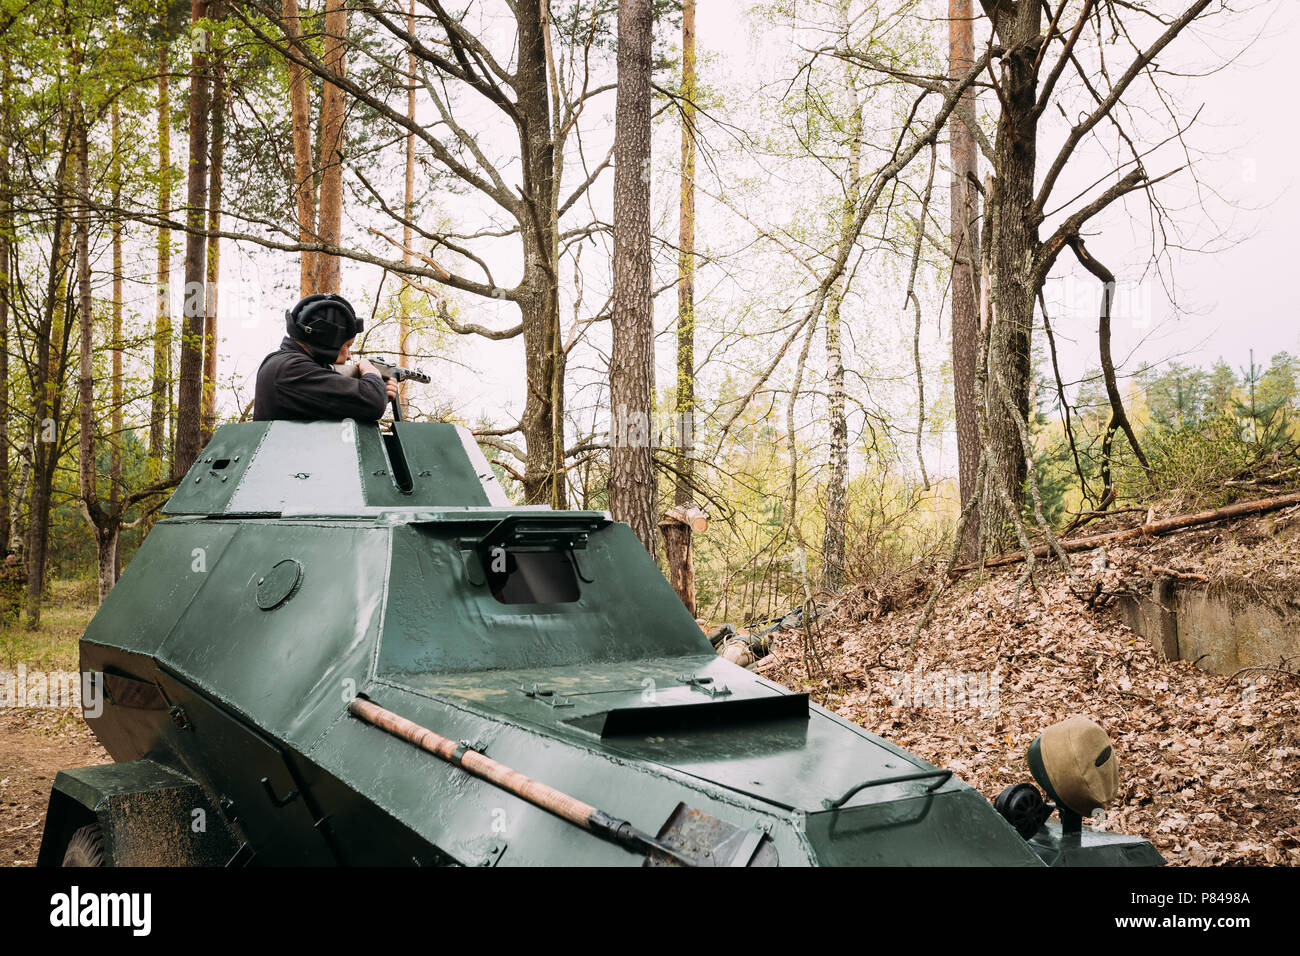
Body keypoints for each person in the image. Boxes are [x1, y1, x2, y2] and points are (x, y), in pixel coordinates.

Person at [254, 293, 399, 421]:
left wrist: (374, 390)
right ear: (328, 343)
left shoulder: (282, 362)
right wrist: (371, 371)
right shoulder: (290, 369)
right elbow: (372, 402)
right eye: (347, 346)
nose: (349, 356)